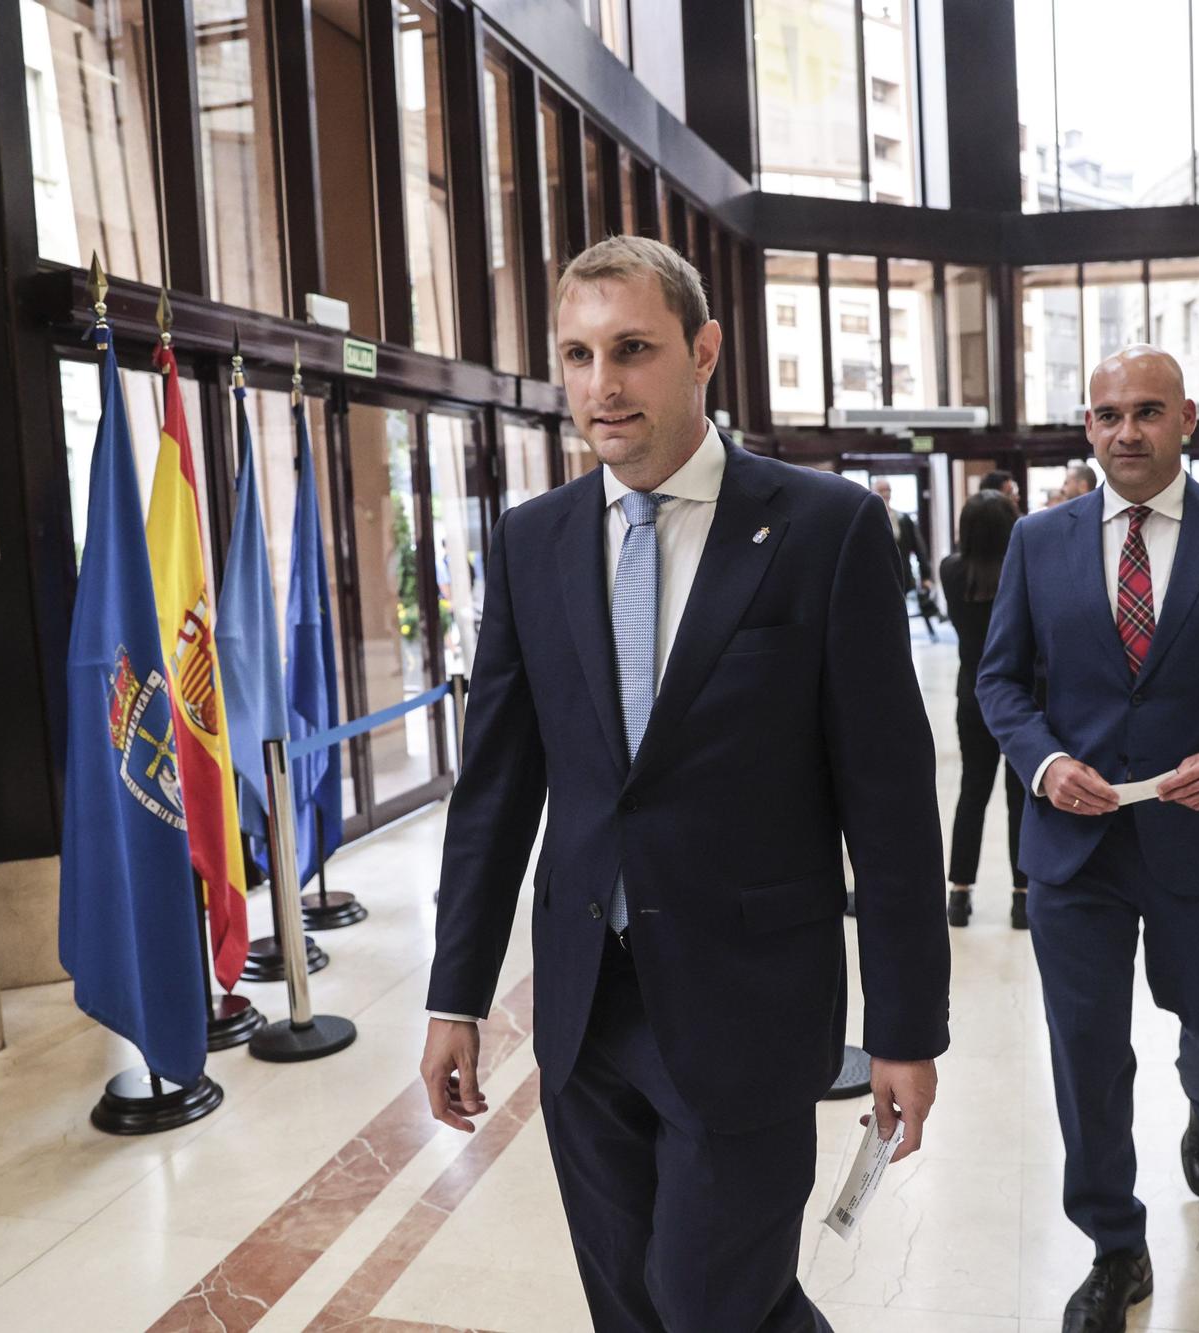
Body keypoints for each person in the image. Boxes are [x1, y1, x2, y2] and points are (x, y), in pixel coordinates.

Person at [420, 236, 950, 1329]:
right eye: (575, 354)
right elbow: (496, 790)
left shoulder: (824, 529)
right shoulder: (533, 542)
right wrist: (454, 993)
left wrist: (904, 1025)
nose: (600, 384)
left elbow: (888, 804)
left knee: (708, 1300)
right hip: (582, 1008)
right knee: (630, 1305)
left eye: (631, 349)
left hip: (746, 1002)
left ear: (702, 351)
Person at [977, 346, 1199, 1333]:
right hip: (1072, 847)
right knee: (1084, 1049)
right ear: (1084, 429)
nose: (1123, 432)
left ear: (1184, 421)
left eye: (1144, 412)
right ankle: (1111, 1244)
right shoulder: (1036, 540)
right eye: (1103, 415)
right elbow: (999, 682)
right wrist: (1044, 764)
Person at [940, 489, 1029, 929]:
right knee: (1021, 797)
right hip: (1021, 694)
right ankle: (1021, 897)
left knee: (972, 792)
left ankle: (959, 895)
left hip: (971, 693)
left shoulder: (951, 572)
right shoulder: (1023, 570)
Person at [876, 478, 940, 640]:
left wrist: (925, 575)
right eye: (882, 490)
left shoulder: (903, 519)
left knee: (899, 611)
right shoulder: (870, 519)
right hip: (878, 575)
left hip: (902, 572)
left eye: (888, 490)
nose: (886, 494)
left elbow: (918, 548)